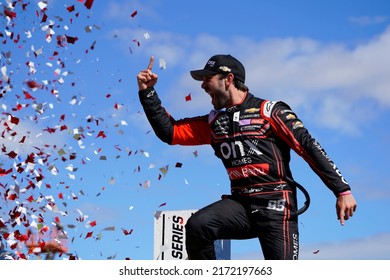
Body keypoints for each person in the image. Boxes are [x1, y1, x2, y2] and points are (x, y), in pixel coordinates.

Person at [136, 54, 357, 260]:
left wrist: (342, 190)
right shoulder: (213, 122)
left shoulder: (270, 111)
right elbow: (170, 132)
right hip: (240, 206)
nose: (203, 85)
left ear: (228, 79)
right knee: (198, 226)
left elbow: (308, 147)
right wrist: (148, 93)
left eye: (208, 79)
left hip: (276, 207)